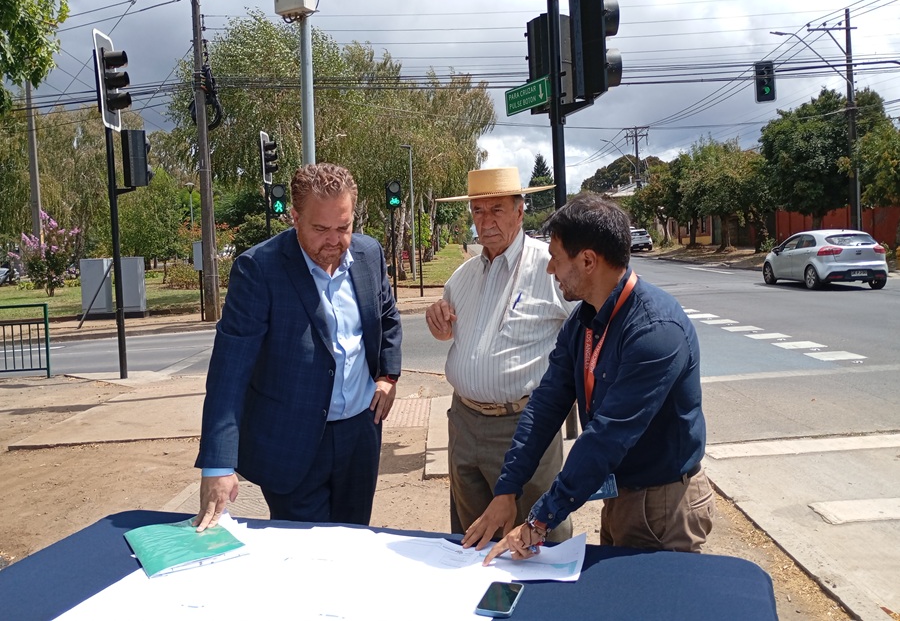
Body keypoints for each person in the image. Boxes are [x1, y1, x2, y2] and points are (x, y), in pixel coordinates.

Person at [462, 193, 713, 561]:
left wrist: (540, 520)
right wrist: (507, 489)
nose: (550, 270)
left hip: (663, 505)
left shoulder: (654, 331)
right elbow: (546, 404)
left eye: (556, 259)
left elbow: (606, 438)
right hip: (622, 495)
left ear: (588, 261)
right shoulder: (586, 320)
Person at [193, 162, 402, 531]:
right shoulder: (259, 270)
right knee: (306, 559)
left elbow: (386, 315)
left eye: (344, 227)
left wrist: (388, 375)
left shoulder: (369, 255)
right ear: (294, 217)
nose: (334, 241)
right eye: (320, 229)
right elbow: (230, 371)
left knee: (354, 542)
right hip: (292, 442)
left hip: (359, 437)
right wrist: (218, 465)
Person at [426, 167, 576, 541]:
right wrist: (437, 322)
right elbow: (448, 331)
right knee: (471, 536)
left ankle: (545, 602)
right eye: (478, 211)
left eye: (496, 210)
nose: (486, 221)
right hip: (464, 423)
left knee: (539, 536)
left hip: (524, 426)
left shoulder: (550, 267)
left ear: (520, 211)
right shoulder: (461, 277)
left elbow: (591, 330)